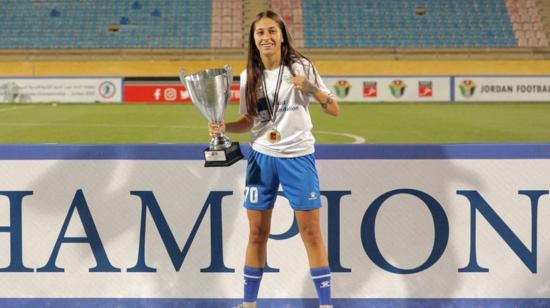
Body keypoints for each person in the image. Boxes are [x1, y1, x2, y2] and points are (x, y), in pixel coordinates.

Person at [208, 10, 339, 308]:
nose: (266, 37)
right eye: (260, 33)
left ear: (281, 36)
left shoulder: (301, 66)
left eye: (271, 31)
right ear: (253, 40)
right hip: (262, 158)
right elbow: (250, 121)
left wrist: (311, 88)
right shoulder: (248, 77)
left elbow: (334, 109)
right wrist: (224, 126)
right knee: (256, 233)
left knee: (311, 232)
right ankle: (249, 304)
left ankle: (325, 304)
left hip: (298, 157)